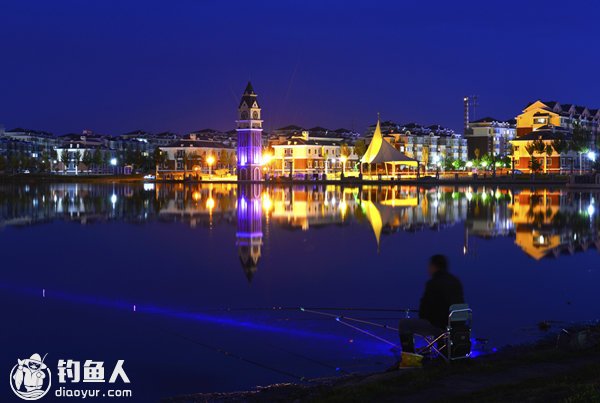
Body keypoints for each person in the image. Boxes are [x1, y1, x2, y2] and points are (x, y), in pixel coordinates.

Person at [398, 254, 464, 354]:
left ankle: (409, 360)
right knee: (440, 320)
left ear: (434, 266)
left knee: (404, 324)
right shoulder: (455, 281)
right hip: (457, 325)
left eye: (429, 266)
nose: (428, 269)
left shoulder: (433, 283)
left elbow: (423, 312)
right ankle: (442, 352)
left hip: (442, 326)